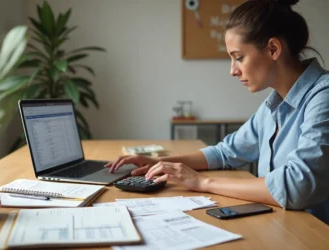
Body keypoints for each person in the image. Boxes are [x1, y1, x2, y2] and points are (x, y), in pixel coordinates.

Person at [105, 0, 329, 224]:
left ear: (273, 49)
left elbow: (298, 186)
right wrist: (157, 162)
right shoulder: (272, 107)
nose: (233, 70)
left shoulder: (323, 96)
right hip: (285, 228)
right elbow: (226, 152)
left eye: (239, 57)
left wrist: (202, 183)